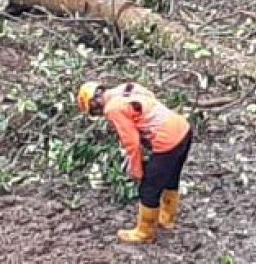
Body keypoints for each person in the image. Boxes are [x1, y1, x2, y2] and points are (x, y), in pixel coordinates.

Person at [77, 81, 192, 244]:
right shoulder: (127, 88)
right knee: (171, 177)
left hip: (168, 140)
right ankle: (167, 220)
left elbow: (131, 142)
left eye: (95, 111)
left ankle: (145, 233)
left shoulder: (112, 108)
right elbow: (148, 103)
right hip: (183, 128)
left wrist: (136, 170)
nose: (100, 114)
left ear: (93, 102)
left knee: (148, 188)